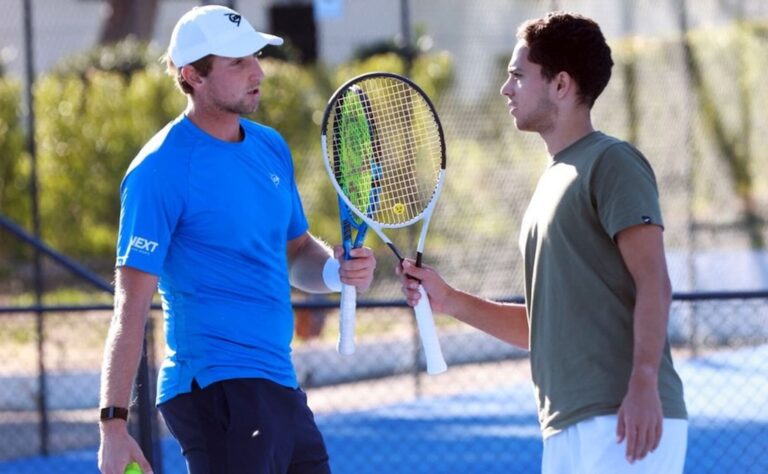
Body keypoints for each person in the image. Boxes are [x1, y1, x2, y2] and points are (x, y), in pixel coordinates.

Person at [398, 11, 687, 474]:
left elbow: (654, 280)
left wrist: (644, 383)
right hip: (566, 425)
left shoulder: (612, 162)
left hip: (621, 420)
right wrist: (449, 299)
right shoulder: (552, 181)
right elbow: (544, 329)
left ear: (561, 85)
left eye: (517, 75)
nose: (505, 88)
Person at [97, 5, 376, 474]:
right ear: (193, 76)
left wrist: (334, 269)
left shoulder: (270, 146)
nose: (258, 71)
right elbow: (130, 307)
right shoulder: (158, 170)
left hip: (279, 385)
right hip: (214, 388)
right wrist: (113, 425)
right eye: (237, 62)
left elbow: (295, 251)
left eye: (255, 57)